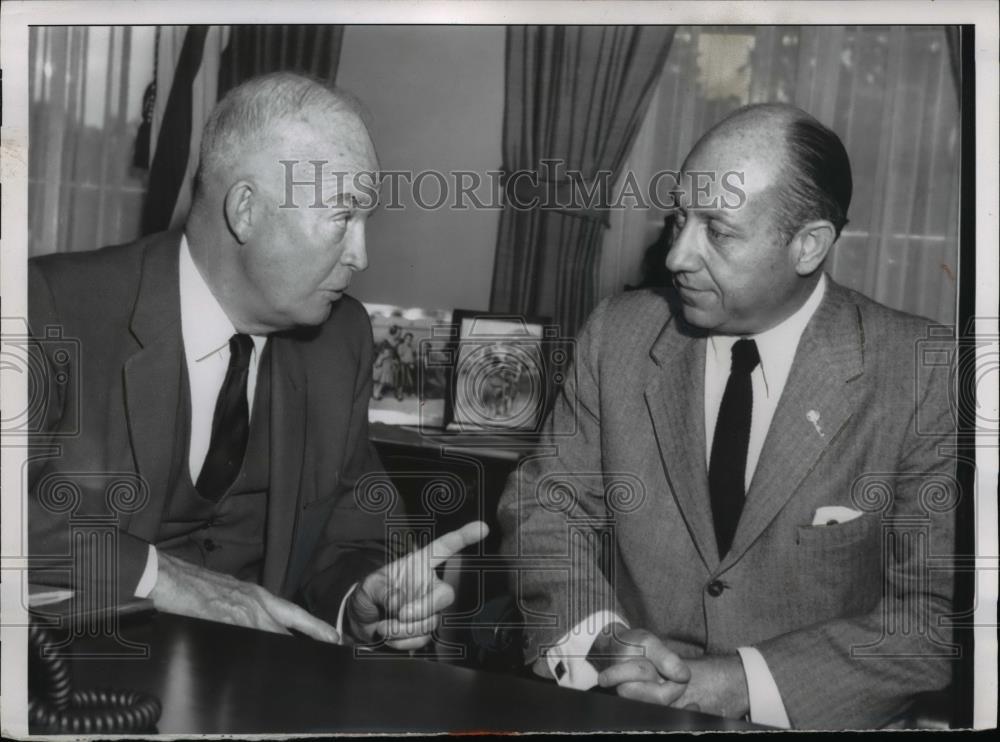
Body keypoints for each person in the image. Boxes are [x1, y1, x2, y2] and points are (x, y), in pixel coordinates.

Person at [497, 103, 957, 729]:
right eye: (679, 219)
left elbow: (926, 622)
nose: (678, 256)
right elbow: (544, 510)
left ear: (808, 245)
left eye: (718, 230)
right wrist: (603, 642)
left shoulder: (922, 372)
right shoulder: (618, 334)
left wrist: (734, 684)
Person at [28, 71, 486, 649]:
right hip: (83, 675)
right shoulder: (48, 308)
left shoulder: (339, 340)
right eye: (343, 218)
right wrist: (160, 577)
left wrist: (366, 598)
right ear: (245, 210)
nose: (362, 256)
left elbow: (351, 531)